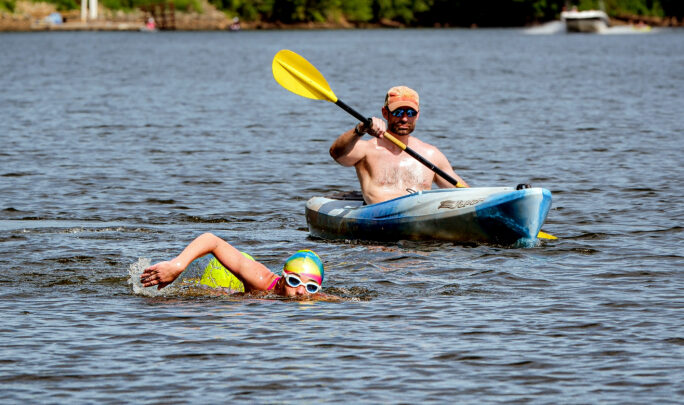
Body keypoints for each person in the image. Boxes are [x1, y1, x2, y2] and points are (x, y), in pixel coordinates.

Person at [329, 86, 469, 205]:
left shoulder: (431, 154)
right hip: (379, 220)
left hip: (418, 219)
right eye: (398, 112)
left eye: (410, 113)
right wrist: (360, 129)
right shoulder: (366, 150)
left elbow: (465, 194)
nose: (404, 118)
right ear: (385, 113)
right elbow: (337, 154)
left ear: (418, 115)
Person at [140, 233, 325, 298]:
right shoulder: (260, 279)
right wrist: (177, 265)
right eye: (294, 281)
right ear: (282, 279)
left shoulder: (314, 298)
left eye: (310, 286)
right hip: (224, 270)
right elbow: (211, 241)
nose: (301, 291)